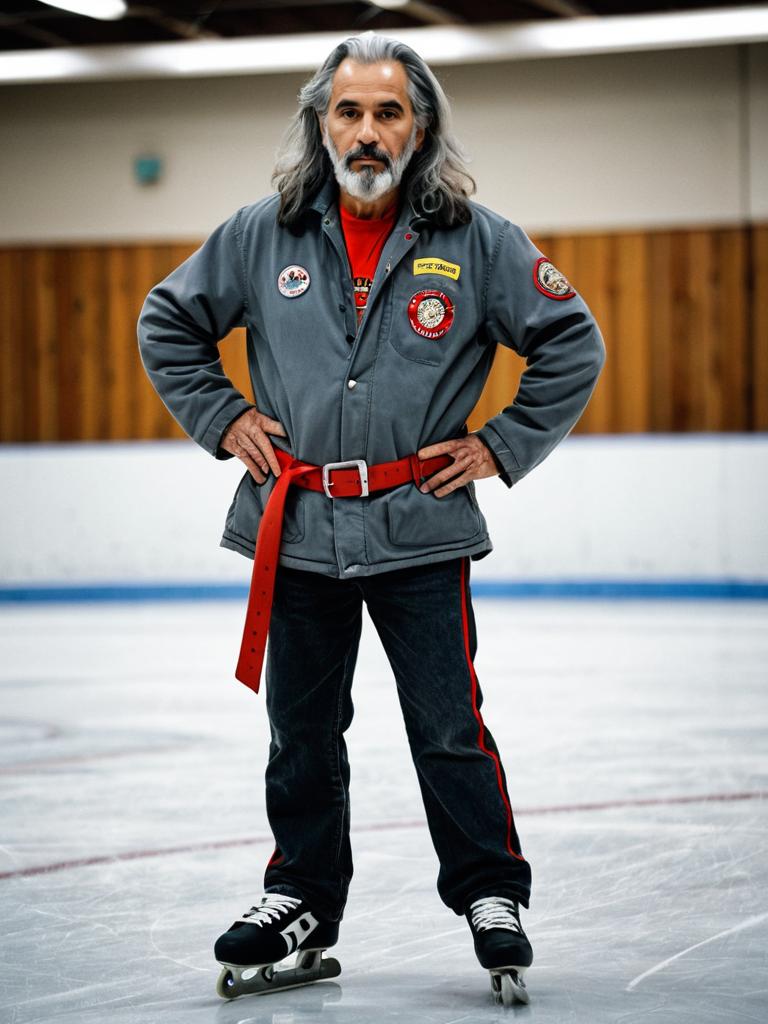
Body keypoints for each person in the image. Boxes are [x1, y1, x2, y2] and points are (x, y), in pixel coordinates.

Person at [138, 32, 605, 1006]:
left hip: (418, 529)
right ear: (321, 124)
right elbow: (167, 322)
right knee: (302, 732)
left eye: (388, 112)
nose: (366, 131)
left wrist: (501, 444)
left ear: (419, 129)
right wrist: (223, 417)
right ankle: (301, 898)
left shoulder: (477, 242)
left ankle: (490, 893)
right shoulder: (259, 236)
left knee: (448, 727)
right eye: (347, 111)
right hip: (300, 530)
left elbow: (572, 341)